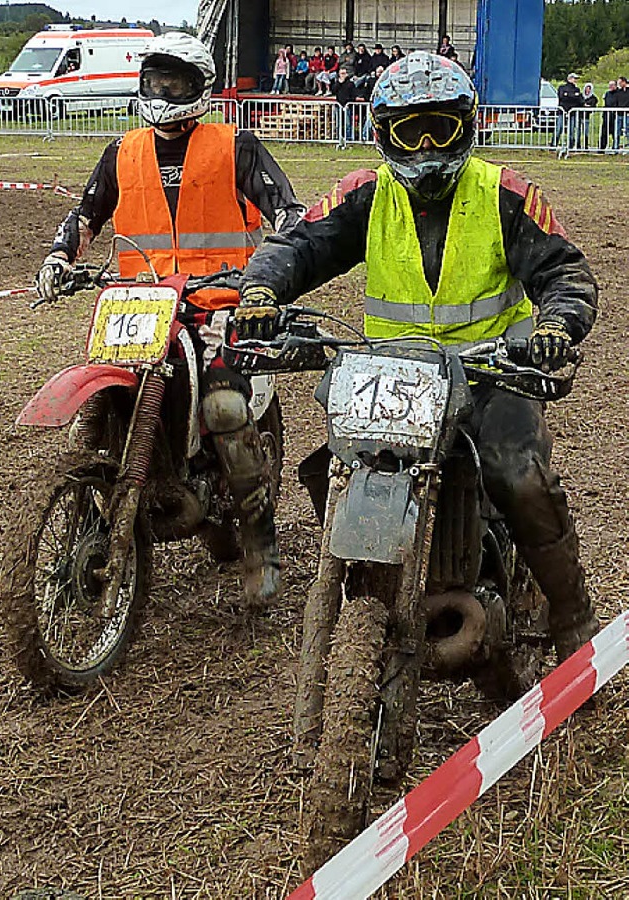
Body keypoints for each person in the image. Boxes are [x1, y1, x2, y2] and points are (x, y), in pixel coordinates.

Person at [237, 52, 600, 662]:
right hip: (392, 380)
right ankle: (378, 582)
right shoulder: (363, 196)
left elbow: (566, 270)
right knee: (334, 469)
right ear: (383, 135)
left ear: (469, 126)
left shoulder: (505, 194)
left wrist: (558, 325)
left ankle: (573, 619)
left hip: (491, 375)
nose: (427, 144)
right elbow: (298, 245)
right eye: (411, 130)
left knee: (520, 477)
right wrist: (262, 292)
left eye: (441, 127)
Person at [35, 32, 306, 608]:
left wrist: (267, 274)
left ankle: (260, 544)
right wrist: (61, 256)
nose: (161, 93)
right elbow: (86, 214)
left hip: (219, 306)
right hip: (140, 304)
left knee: (224, 406)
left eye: (173, 83)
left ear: (199, 88)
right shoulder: (122, 152)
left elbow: (290, 214)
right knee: (106, 391)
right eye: (154, 81)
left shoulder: (236, 147)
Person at [556, 72, 584, 149]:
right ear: (569, 79)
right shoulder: (562, 87)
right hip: (562, 111)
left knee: (571, 130)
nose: (575, 80)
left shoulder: (577, 89)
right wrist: (573, 96)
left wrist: (568, 95)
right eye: (574, 79)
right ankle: (554, 143)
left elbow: (579, 100)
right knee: (559, 128)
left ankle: (570, 145)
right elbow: (562, 97)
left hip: (572, 112)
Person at [599, 80, 618, 151]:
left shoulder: (618, 93)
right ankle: (602, 148)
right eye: (610, 85)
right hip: (607, 115)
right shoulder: (607, 93)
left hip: (615, 116)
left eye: (612, 85)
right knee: (604, 132)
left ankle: (615, 147)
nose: (610, 86)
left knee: (615, 133)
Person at [581, 82, 598, 150]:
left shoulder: (593, 98)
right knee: (578, 131)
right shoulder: (581, 96)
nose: (587, 91)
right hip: (579, 116)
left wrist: (586, 106)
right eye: (586, 89)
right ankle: (578, 144)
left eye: (589, 89)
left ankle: (585, 146)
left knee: (586, 132)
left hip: (586, 117)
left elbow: (592, 106)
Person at [614, 75, 629, 149]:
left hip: (627, 114)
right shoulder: (618, 92)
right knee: (617, 132)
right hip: (619, 114)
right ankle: (615, 147)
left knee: (627, 131)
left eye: (620, 82)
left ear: (624, 82)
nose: (619, 84)